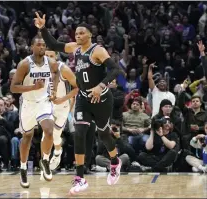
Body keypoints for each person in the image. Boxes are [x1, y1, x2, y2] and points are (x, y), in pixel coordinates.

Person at [35, 12, 122, 194]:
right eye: (77, 33)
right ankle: (80, 178)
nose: (78, 36)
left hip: (102, 98)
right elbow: (53, 45)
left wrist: (101, 85)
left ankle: (115, 161)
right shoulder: (75, 48)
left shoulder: (97, 50)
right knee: (79, 133)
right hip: (83, 97)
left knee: (104, 135)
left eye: (82, 33)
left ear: (90, 34)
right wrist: (43, 28)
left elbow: (115, 69)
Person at [10, 35, 59, 188]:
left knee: (49, 131)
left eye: (44, 45)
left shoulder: (50, 62)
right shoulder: (24, 64)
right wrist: (33, 87)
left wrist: (54, 90)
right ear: (32, 47)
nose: (42, 47)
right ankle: (23, 168)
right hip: (28, 103)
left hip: (43, 101)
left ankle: (45, 159)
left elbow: (57, 73)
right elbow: (13, 88)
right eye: (38, 45)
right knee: (27, 137)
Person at [44, 50, 78, 171]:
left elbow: (77, 88)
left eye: (51, 56)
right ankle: (46, 160)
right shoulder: (39, 70)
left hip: (63, 106)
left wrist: (62, 99)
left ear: (56, 57)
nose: (48, 58)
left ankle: (58, 151)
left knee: (56, 135)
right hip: (48, 106)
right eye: (46, 56)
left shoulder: (63, 69)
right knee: (46, 134)